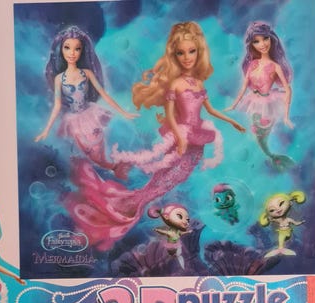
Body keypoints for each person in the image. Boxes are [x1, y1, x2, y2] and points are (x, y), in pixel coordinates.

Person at [65, 21, 245, 251]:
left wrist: (232, 121)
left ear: (199, 52)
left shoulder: (198, 83)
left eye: (191, 51)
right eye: (181, 53)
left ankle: (134, 205)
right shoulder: (176, 84)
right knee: (161, 180)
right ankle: (127, 208)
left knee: (173, 179)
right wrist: (180, 137)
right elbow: (170, 115)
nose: (187, 57)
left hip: (197, 142)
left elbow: (209, 110)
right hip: (180, 138)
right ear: (174, 56)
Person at [35, 26, 137, 179]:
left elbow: (104, 95)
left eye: (77, 49)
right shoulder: (59, 79)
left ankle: (115, 168)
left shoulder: (87, 73)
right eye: (67, 48)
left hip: (91, 116)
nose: (72, 53)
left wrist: (124, 112)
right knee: (91, 156)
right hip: (75, 122)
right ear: (61, 50)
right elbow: (57, 106)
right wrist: (46, 130)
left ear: (82, 51)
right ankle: (114, 168)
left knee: (98, 152)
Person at [226, 21, 294, 170]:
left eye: (265, 39)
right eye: (256, 41)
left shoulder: (275, 66)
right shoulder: (253, 64)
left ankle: (275, 158)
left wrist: (286, 117)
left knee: (262, 133)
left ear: (271, 39)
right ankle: (271, 156)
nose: (262, 44)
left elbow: (288, 89)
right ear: (252, 45)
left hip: (268, 104)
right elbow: (244, 87)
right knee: (257, 135)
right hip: (254, 102)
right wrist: (234, 105)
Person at [259, 191, 305, 257]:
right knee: (281, 241)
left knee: (293, 241)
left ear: (290, 203)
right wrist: (269, 219)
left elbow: (295, 223)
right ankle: (280, 249)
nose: (278, 209)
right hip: (281, 232)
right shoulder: (277, 220)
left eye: (281, 203)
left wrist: (301, 222)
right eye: (272, 210)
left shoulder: (288, 219)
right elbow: (272, 220)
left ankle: (285, 248)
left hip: (288, 232)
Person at [148, 203, 191, 269]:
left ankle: (176, 260)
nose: (185, 221)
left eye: (187, 219)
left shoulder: (177, 231)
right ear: (166, 217)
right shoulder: (171, 231)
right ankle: (172, 258)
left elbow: (180, 233)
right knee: (174, 254)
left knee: (178, 254)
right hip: (171, 245)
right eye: (180, 216)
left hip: (176, 244)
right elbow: (165, 232)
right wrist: (157, 230)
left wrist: (188, 232)